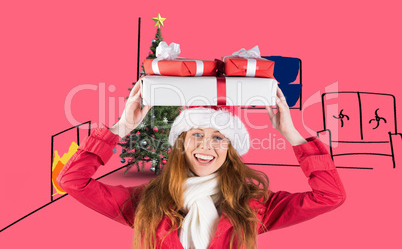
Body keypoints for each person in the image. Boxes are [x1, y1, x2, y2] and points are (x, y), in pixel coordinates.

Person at [57, 78, 346, 249]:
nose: (205, 146)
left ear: (231, 149)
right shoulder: (146, 203)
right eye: (196, 134)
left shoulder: (253, 207)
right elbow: (72, 181)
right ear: (181, 143)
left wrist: (292, 135)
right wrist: (120, 127)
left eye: (219, 138)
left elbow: (330, 196)